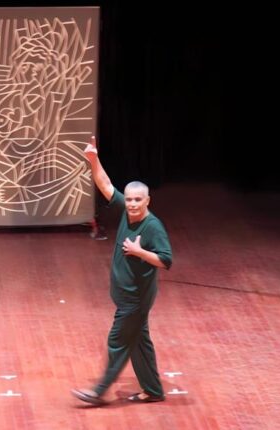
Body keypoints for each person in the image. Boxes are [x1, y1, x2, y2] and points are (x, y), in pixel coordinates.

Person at [71, 136, 173, 406]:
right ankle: (153, 390)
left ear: (147, 200)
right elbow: (105, 185)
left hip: (135, 300)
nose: (132, 204)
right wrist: (93, 160)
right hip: (126, 297)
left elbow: (166, 260)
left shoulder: (153, 227)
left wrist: (140, 252)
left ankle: (99, 391)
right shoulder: (126, 213)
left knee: (118, 341)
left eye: (138, 200)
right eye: (129, 200)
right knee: (139, 341)